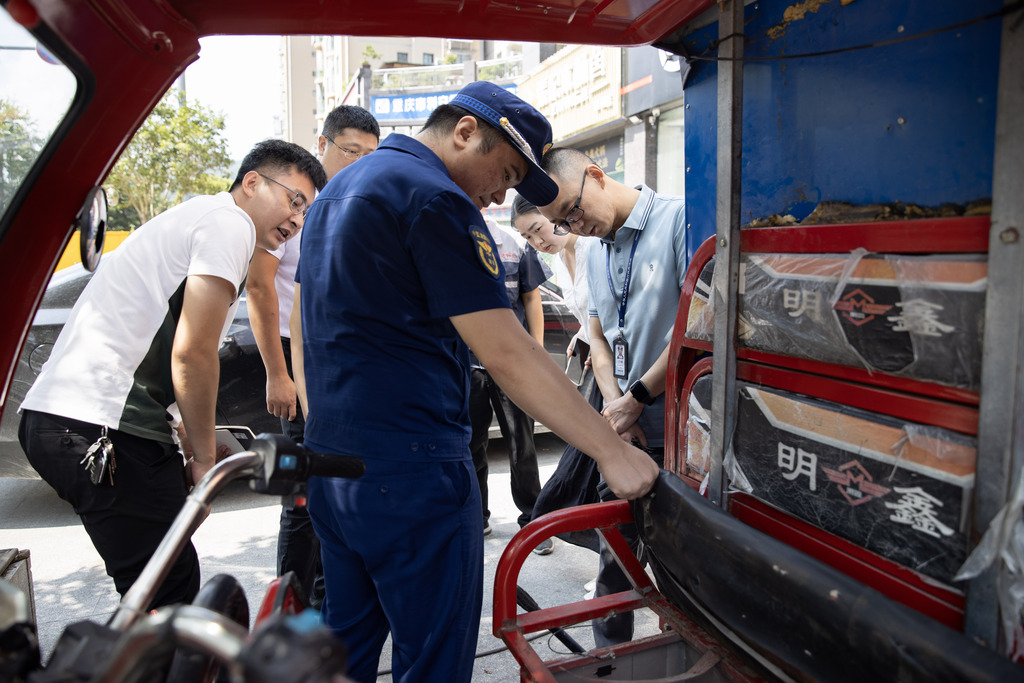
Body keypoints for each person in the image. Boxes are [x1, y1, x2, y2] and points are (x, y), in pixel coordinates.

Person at [293, 80, 659, 682]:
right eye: (506, 172)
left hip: (335, 468)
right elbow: (508, 351)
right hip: (412, 474)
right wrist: (610, 450)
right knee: (433, 660)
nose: (499, 196)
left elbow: (300, 323)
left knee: (346, 648)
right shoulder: (434, 198)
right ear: (465, 131)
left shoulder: (336, 195)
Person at [18, 140, 326, 610]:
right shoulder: (229, 223)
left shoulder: (201, 219)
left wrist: (184, 431)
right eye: (295, 200)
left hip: (81, 420)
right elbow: (193, 354)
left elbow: (154, 341)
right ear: (251, 182)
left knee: (157, 587)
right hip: (99, 425)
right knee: (168, 595)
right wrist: (203, 458)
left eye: (305, 212)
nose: (296, 221)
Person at [539, 146, 687, 648]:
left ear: (597, 176)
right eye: (564, 223)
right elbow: (597, 337)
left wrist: (639, 397)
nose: (576, 227)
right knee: (614, 565)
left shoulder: (678, 220)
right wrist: (616, 405)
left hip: (682, 433)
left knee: (685, 572)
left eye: (574, 212)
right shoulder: (594, 251)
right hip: (627, 431)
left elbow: (698, 329)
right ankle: (609, 664)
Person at [246, 106, 379, 610]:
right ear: (322, 144)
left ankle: (330, 600)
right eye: (350, 150)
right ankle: (290, 607)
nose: (360, 161)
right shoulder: (294, 206)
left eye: (370, 153)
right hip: (293, 359)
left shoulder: (355, 205)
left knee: (339, 484)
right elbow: (260, 288)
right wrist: (278, 376)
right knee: (303, 494)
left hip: (339, 362)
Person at [512, 196, 604, 552]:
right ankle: (609, 563)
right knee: (586, 465)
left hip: (616, 370)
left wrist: (597, 343)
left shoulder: (594, 249)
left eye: (538, 229)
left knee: (586, 465)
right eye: (529, 238)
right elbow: (590, 315)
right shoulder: (557, 260)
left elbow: (612, 311)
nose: (538, 242)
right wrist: (583, 338)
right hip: (596, 364)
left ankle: (611, 567)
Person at [469, 212, 551, 552]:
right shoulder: (448, 239)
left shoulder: (515, 243)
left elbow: (532, 298)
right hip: (468, 363)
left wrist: (537, 353)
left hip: (513, 364)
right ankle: (477, 518)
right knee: (470, 446)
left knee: (522, 445)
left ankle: (534, 519)